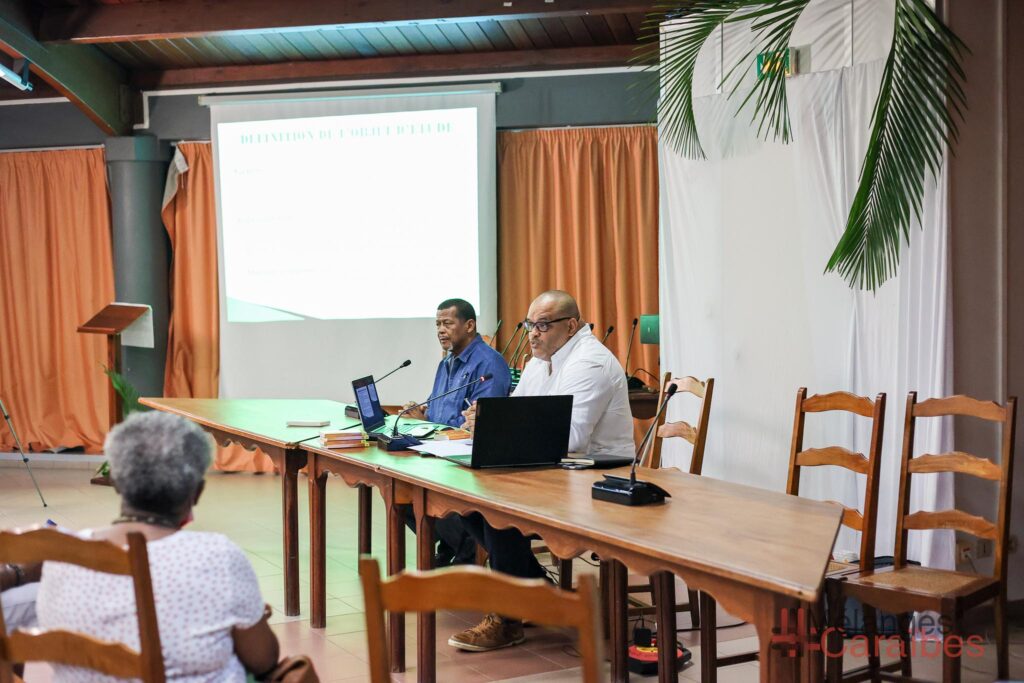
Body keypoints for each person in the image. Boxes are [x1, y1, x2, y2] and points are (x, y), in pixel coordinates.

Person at [35, 411, 281, 682]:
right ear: (196, 492)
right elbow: (264, 659)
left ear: (115, 482)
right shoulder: (218, 557)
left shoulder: (61, 555)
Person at [449, 290, 632, 652]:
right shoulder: (541, 359)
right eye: (529, 324)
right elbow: (517, 414)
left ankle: (509, 615)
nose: (533, 333)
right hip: (555, 468)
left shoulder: (588, 362)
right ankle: (533, 591)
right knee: (465, 496)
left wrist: (499, 428)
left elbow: (573, 437)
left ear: (572, 325)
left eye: (543, 325)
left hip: (598, 474)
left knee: (496, 505)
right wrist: (486, 422)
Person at [403, 298, 511, 566]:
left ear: (470, 325)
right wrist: (422, 415)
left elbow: (483, 424)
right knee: (401, 493)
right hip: (439, 451)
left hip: (467, 462)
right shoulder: (446, 363)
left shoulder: (488, 364)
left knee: (422, 495)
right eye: (437, 324)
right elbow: (440, 410)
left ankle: (466, 550)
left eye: (448, 323)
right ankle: (454, 545)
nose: (441, 330)